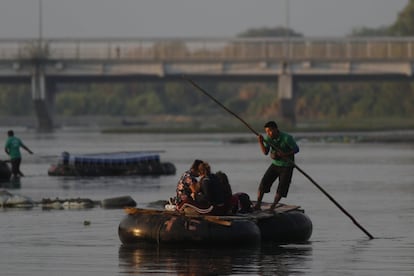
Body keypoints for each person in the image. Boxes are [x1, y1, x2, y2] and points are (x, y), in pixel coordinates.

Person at [254, 121, 299, 210]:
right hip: (275, 164)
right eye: (267, 131)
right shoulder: (268, 138)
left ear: (275, 129)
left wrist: (285, 154)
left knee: (282, 187)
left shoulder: (287, 138)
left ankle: (273, 206)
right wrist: (261, 142)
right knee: (264, 183)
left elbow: (296, 149)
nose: (268, 133)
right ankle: (258, 204)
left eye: (270, 131)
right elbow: (265, 152)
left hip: (287, 166)